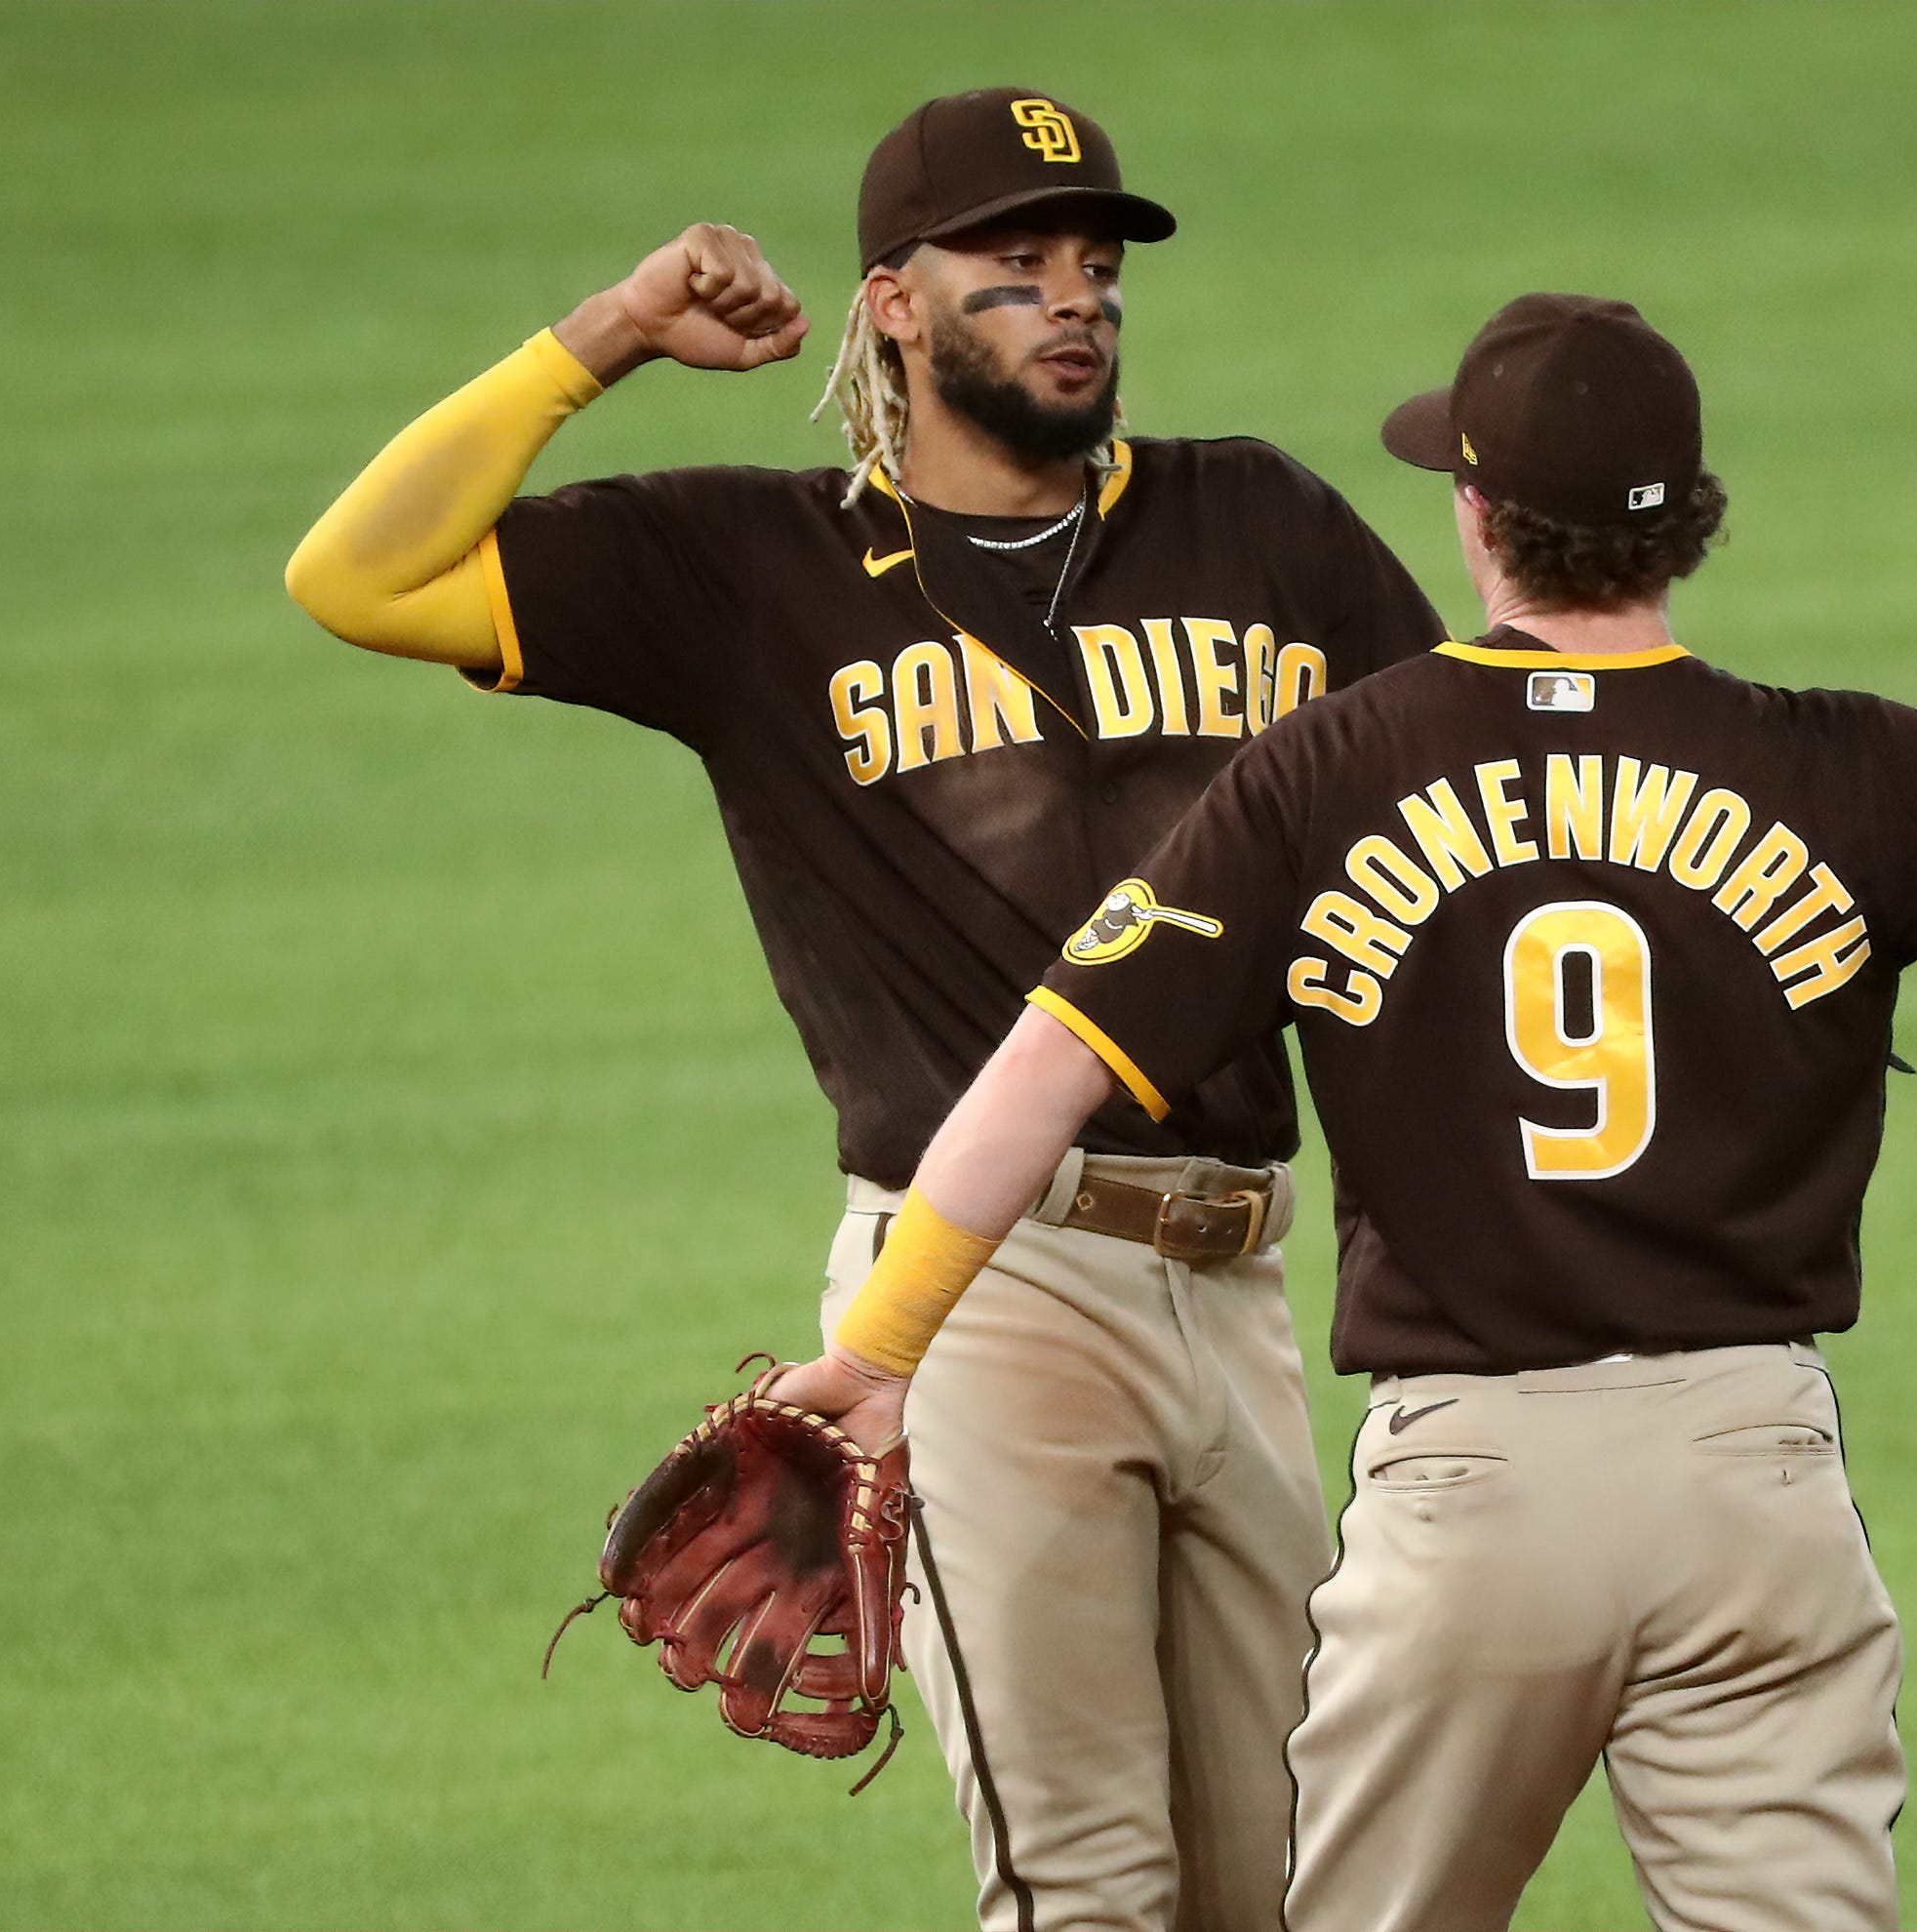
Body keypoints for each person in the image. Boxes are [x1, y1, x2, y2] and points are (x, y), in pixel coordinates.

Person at [773, 293, 1917, 1931]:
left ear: (1478, 518)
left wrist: (884, 1345)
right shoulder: (1849, 771)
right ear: (1687, 523)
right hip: (1749, 1479)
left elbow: (1042, 1072)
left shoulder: (1326, 772)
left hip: (1473, 1497)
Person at [283, 87, 1446, 1932]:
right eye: (1014, 269)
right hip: (986, 1297)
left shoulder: (1265, 523)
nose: (1073, 302)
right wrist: (596, 343)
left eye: (1094, 269)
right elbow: (355, 575)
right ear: (891, 306)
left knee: (1299, 1887)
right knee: (1084, 1886)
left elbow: (1459, 833)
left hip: (1245, 1288)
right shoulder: (751, 569)